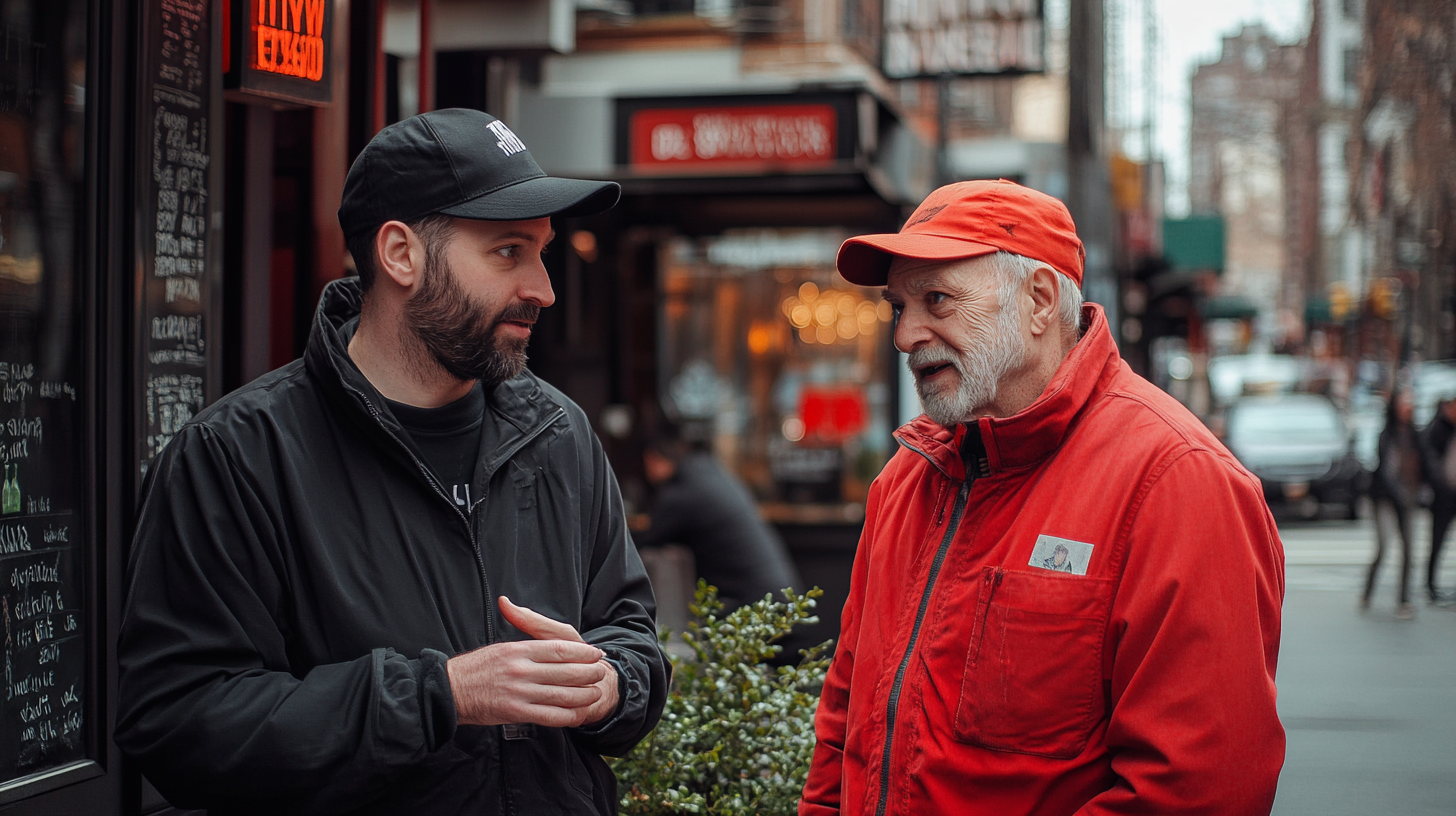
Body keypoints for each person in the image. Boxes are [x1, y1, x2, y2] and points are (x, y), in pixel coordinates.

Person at [115, 109, 669, 815]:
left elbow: (630, 634)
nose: (543, 288)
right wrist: (440, 695)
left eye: (542, 252)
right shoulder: (237, 455)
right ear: (400, 254)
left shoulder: (559, 433)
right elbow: (178, 723)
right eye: (507, 252)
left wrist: (611, 686)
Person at [798, 180, 1285, 816]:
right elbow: (844, 729)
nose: (906, 336)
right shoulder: (904, 482)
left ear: (1037, 301)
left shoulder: (1177, 482)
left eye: (937, 300)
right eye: (899, 307)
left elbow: (1198, 790)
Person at [637, 427, 803, 611]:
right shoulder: (708, 473)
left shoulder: (682, 493)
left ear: (652, 459)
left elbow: (644, 546)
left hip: (755, 607)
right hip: (780, 597)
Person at [1364, 388, 1421, 619]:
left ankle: (1404, 599)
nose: (1408, 407)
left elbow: (1426, 463)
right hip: (1385, 499)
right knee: (1383, 547)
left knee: (1408, 550)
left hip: (1408, 497)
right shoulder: (1386, 435)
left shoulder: (1415, 435)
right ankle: (1368, 590)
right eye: (1404, 402)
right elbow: (1385, 473)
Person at [1419, 397, 1456, 605]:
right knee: (1437, 541)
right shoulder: (1438, 428)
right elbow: (1429, 459)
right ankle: (1430, 583)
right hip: (1443, 496)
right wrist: (1439, 484)